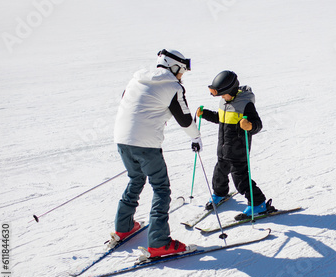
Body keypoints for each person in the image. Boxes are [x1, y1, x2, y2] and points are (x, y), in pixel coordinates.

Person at [111, 49, 202, 258]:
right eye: (182, 71)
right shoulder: (173, 87)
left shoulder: (137, 78)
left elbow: (130, 102)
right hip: (146, 146)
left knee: (135, 178)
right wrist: (196, 137)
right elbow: (185, 120)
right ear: (174, 67)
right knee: (161, 188)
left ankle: (123, 227)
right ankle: (159, 242)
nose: (182, 76)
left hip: (121, 140)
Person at [197, 70, 271, 219]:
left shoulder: (245, 104)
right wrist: (205, 114)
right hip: (223, 150)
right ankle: (220, 194)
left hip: (238, 152)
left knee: (241, 181)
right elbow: (220, 118)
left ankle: (259, 203)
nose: (222, 98)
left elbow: (258, 124)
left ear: (231, 90)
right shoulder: (224, 102)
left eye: (223, 94)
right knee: (219, 175)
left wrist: (249, 126)